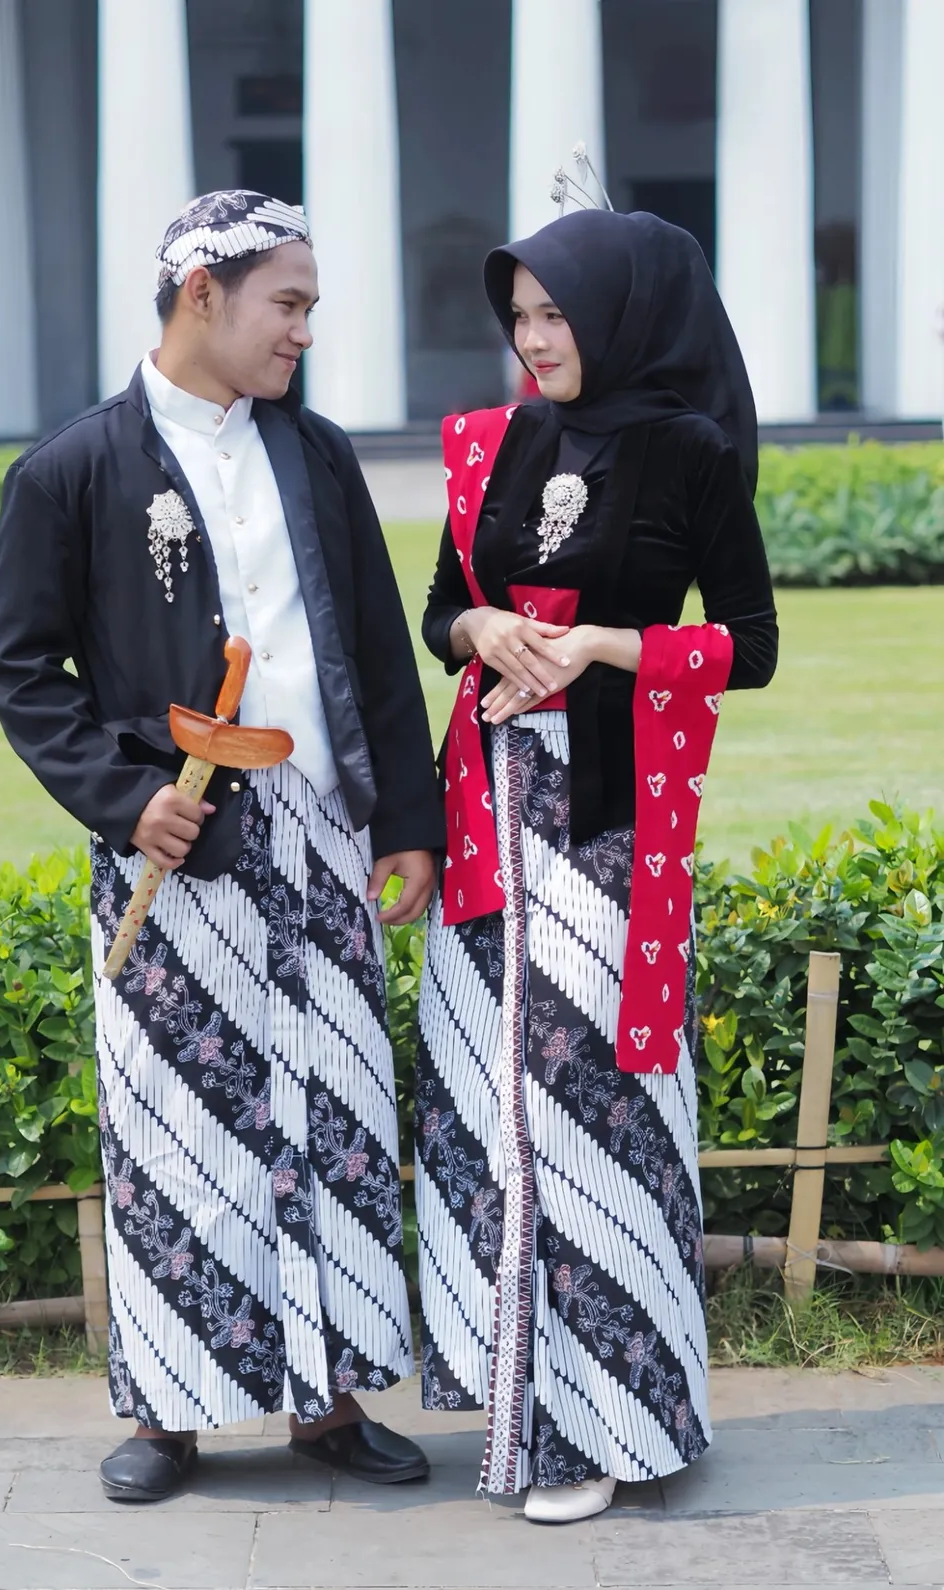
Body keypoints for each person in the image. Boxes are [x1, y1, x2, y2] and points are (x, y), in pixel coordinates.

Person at [0, 190, 443, 1502]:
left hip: (323, 836)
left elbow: (374, 651)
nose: (305, 330)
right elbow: (24, 674)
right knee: (174, 1126)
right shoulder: (71, 471)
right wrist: (125, 801)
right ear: (204, 295)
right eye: (287, 304)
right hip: (172, 846)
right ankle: (166, 1414)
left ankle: (330, 1402)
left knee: (335, 1111)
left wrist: (407, 822)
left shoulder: (322, 456)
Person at [416, 206, 778, 1523]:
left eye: (556, 314)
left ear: (620, 315)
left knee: (596, 1107)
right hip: (489, 816)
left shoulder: (689, 451)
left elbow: (749, 642)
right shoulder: (496, 441)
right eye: (519, 317)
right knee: (495, 1107)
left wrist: (601, 647)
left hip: (610, 824)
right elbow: (438, 613)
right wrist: (487, 628)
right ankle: (523, 1403)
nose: (533, 339)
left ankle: (619, 1417)